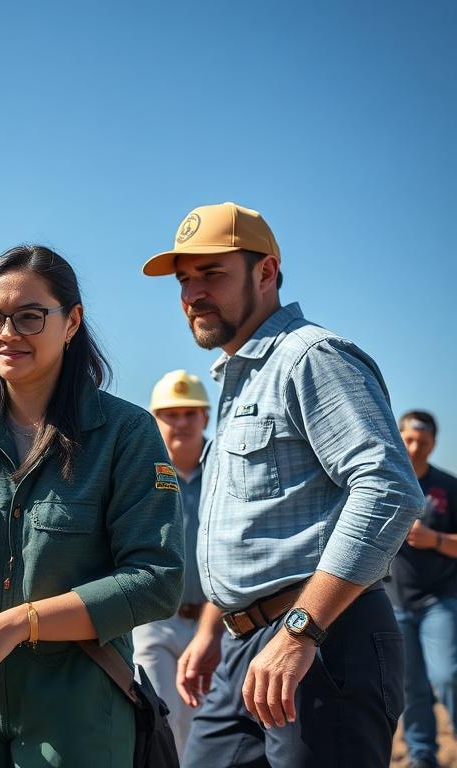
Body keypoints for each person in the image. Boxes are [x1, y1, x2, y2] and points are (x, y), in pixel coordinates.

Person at [142, 202, 423, 767]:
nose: (192, 293)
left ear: (266, 272)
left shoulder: (310, 358)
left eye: (212, 273)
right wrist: (215, 629)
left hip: (323, 644)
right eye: (184, 279)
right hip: (243, 649)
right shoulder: (242, 378)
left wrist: (300, 632)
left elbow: (388, 489)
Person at [0, 244, 184, 768]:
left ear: (72, 321)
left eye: (30, 317)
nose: (8, 333)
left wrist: (17, 623)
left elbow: (155, 580)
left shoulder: (126, 433)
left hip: (78, 700)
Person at [132, 369, 210, 758]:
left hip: (219, 623)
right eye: (169, 413)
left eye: (189, 412)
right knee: (160, 726)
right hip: (155, 620)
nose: (180, 422)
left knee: (213, 732)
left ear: (206, 418)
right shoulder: (138, 472)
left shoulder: (227, 471)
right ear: (154, 419)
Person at [387, 410, 457, 768]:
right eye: (409, 440)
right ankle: (421, 754)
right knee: (410, 687)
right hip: (393, 604)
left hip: (439, 602)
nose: (414, 448)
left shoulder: (449, 486)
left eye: (423, 442)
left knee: (448, 675)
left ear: (434, 444)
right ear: (398, 437)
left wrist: (435, 539)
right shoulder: (383, 482)